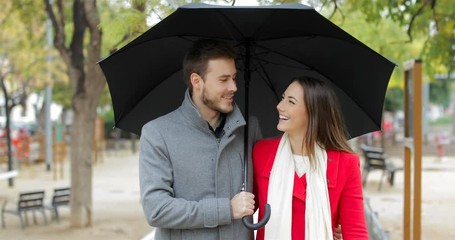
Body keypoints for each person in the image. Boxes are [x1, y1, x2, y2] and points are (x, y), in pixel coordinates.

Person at [139, 39, 262, 239]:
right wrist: (226, 209)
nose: (233, 87)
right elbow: (157, 209)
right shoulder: (157, 133)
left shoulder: (249, 129)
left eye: (234, 77)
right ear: (197, 81)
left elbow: (271, 190)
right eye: (223, 80)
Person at [252, 76, 368, 240]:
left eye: (291, 102)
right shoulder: (261, 152)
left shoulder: (346, 162)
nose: (279, 106)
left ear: (313, 112)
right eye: (283, 98)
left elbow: (356, 232)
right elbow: (245, 211)